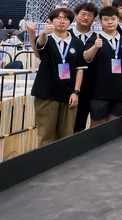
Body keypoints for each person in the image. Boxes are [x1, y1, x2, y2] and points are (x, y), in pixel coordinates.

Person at [28, 9, 86, 146]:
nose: (62, 21)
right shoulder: (46, 39)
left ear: (70, 22)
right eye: (58, 18)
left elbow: (80, 69)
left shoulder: (77, 43)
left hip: (68, 94)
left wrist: (76, 91)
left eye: (66, 19)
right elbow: (39, 47)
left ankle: (65, 160)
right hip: (46, 94)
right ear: (51, 21)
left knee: (67, 135)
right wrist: (42, 33)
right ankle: (46, 159)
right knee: (46, 135)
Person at [83, 6, 122, 126]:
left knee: (115, 126)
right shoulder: (95, 39)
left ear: (118, 20)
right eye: (106, 19)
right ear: (100, 22)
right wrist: (95, 47)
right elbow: (86, 57)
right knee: (97, 125)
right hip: (99, 92)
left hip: (121, 90)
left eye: (113, 19)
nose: (110, 22)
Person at [71, 2, 98, 133]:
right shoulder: (66, 35)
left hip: (91, 87)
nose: (86, 17)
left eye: (90, 15)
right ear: (76, 15)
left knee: (82, 123)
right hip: (68, 85)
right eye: (83, 14)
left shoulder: (98, 38)